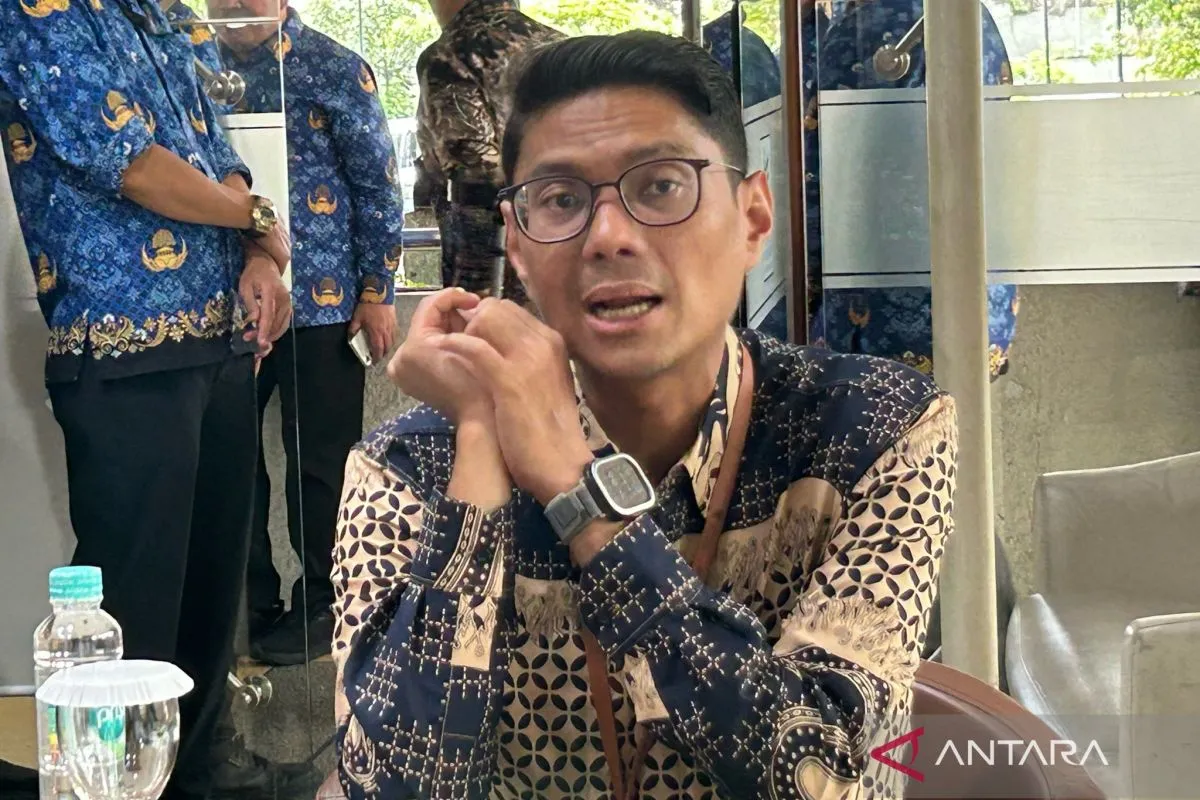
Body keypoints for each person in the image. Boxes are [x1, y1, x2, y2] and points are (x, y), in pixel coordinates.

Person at [329, 31, 958, 799]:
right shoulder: (408, 469)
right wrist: (481, 440)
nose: (609, 237)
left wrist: (580, 494)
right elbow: (392, 787)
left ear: (754, 218)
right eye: (561, 200)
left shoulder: (874, 429)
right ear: (517, 246)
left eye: (661, 186)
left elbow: (825, 780)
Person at [0, 0, 292, 796]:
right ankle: (117, 783)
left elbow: (215, 148)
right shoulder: (40, 11)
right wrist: (257, 216)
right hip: (122, 344)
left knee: (212, 583)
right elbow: (129, 162)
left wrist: (259, 250)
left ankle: (199, 767)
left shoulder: (165, 13)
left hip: (222, 332)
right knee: (132, 597)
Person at [209, 0, 406, 665]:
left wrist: (376, 291)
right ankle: (247, 607)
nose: (234, 3)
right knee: (231, 464)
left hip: (325, 303)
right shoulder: (190, 66)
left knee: (322, 467)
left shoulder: (334, 67)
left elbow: (378, 188)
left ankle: (326, 606)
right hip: (220, 308)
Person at [806, 0, 1020, 381]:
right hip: (984, 309)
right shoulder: (974, 19)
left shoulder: (863, 33)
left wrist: (809, 286)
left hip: (877, 315)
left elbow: (816, 177)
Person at [414, 0, 561, 305]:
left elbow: (473, 175)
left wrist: (473, 296)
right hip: (566, 240)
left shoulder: (450, 56)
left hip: (499, 266)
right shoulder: (558, 46)